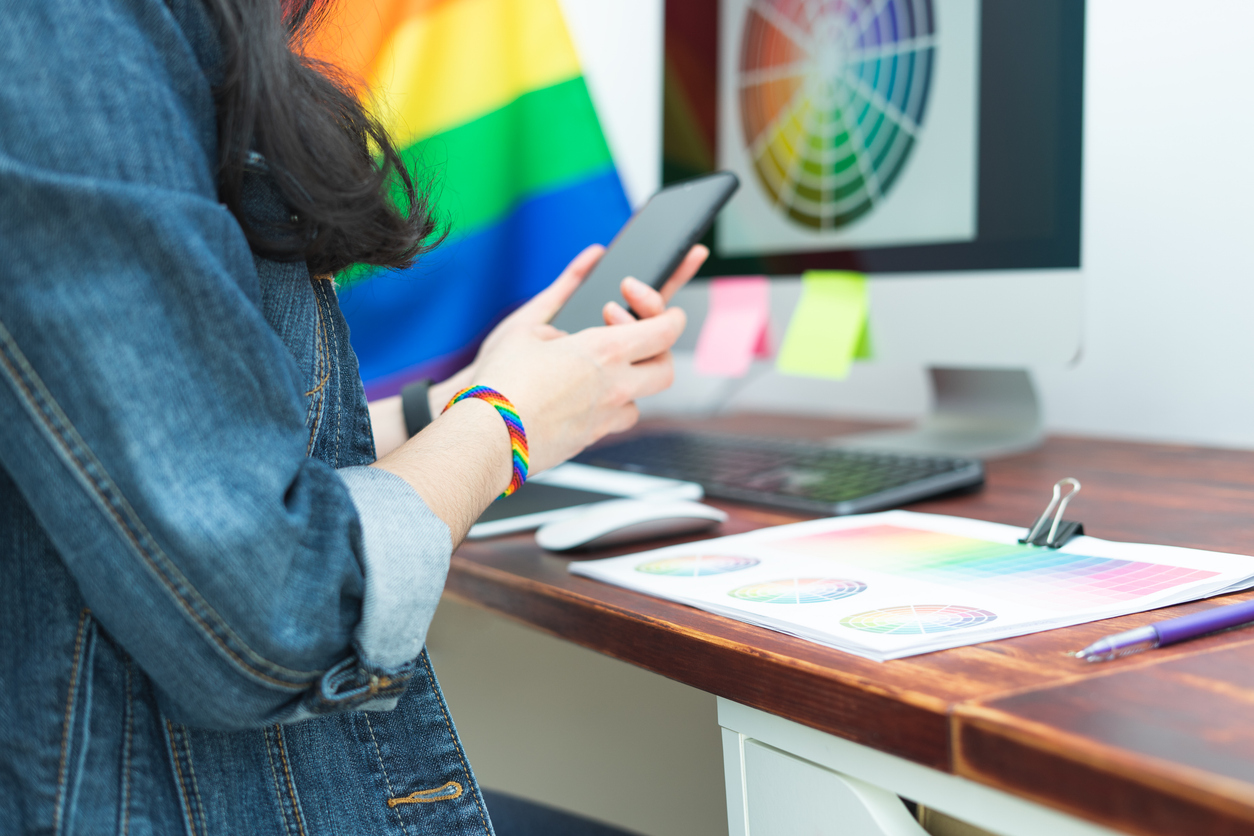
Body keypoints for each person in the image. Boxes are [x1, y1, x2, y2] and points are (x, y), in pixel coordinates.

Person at [0, 0, 703, 833]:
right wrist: (506, 424)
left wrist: (456, 401)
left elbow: (191, 446)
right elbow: (273, 605)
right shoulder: (66, 34)